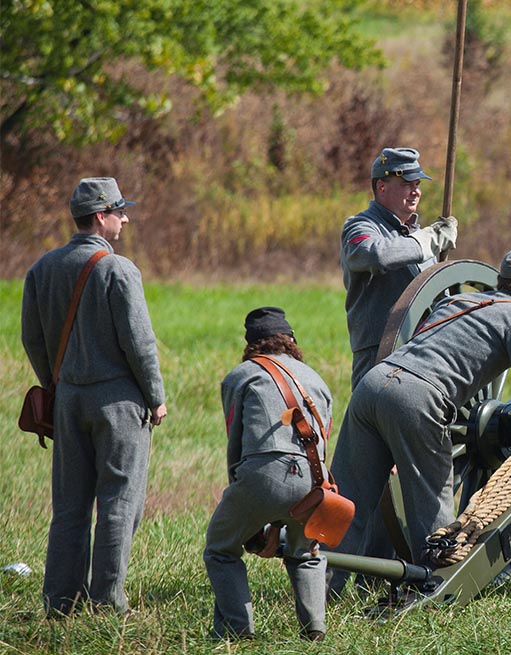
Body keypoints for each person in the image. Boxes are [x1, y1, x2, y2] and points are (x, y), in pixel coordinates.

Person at [328, 242, 511, 596]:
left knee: (348, 503)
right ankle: (437, 591)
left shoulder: (457, 302)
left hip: (373, 384)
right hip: (417, 398)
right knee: (433, 512)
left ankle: (319, 591)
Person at [21, 177, 167, 617]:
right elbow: (139, 343)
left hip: (68, 400)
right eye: (120, 211)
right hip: (119, 402)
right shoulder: (118, 269)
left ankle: (60, 603)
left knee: (69, 509)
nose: (125, 219)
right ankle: (107, 604)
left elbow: (32, 338)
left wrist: (56, 381)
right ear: (101, 216)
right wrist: (156, 396)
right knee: (119, 503)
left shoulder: (42, 269)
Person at [203, 307, 333, 640]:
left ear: (252, 344)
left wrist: (250, 515)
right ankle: (315, 629)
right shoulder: (315, 378)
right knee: (306, 552)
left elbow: (236, 447)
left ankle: (237, 630)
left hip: (261, 476)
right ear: (291, 341)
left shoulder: (241, 376)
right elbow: (322, 443)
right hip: (314, 483)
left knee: (220, 548)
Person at [341, 147, 459, 390]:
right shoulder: (361, 227)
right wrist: (430, 240)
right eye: (407, 184)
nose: (416, 191)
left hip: (425, 352)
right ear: (382, 186)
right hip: (379, 352)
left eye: (417, 184)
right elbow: (376, 255)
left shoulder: (418, 235)